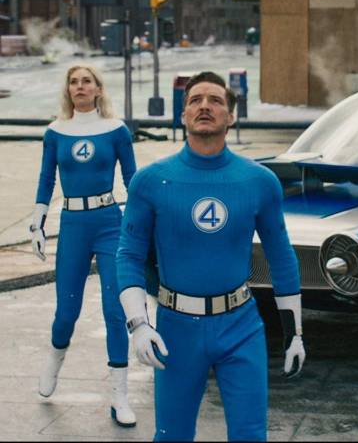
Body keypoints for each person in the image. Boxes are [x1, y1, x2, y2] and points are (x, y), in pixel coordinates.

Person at [116, 71, 305, 442]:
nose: (205, 106)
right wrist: (138, 325)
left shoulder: (259, 181)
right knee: (171, 435)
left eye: (216, 100)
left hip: (241, 326)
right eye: (195, 100)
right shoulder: (151, 181)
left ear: (231, 116)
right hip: (176, 328)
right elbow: (128, 255)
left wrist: (294, 333)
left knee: (251, 435)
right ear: (183, 114)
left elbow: (282, 257)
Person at [30, 64, 137, 427]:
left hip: (109, 222)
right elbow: (46, 179)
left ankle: (120, 396)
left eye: (86, 81)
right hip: (72, 224)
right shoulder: (55, 132)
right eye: (73, 82)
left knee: (115, 309)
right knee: (67, 312)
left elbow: (132, 179)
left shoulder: (116, 130)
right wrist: (37, 223)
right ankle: (54, 359)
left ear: (98, 89)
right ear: (68, 90)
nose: (79, 86)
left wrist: (141, 225)